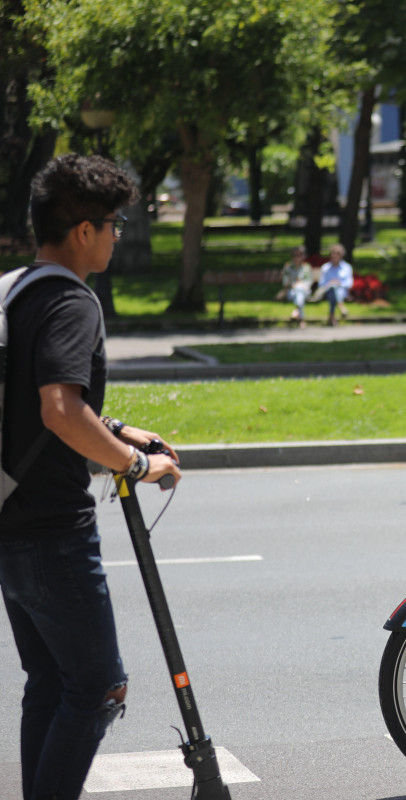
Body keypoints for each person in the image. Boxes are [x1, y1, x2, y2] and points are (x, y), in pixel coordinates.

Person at [0, 154, 182, 800]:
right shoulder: (71, 302)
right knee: (99, 686)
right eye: (113, 223)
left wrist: (115, 427)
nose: (117, 234)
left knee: (49, 684)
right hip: (53, 531)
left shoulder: (16, 289)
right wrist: (134, 463)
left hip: (10, 525)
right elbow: (57, 409)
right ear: (83, 230)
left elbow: (31, 400)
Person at [317, 243, 353, 326]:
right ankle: (341, 306)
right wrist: (330, 283)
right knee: (333, 289)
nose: (335, 255)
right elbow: (321, 284)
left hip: (342, 291)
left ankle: (332, 317)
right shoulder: (325, 268)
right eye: (333, 253)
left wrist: (339, 283)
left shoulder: (347, 267)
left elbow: (349, 283)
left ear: (341, 255)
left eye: (337, 253)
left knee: (336, 289)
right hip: (328, 292)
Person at [280, 246, 313, 327]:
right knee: (299, 291)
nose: (297, 257)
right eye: (295, 255)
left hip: (304, 290)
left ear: (303, 256)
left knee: (300, 290)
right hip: (291, 291)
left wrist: (299, 285)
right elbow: (285, 282)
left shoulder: (307, 267)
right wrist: (294, 285)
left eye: (299, 255)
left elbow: (309, 282)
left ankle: (296, 312)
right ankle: (301, 319)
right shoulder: (288, 267)